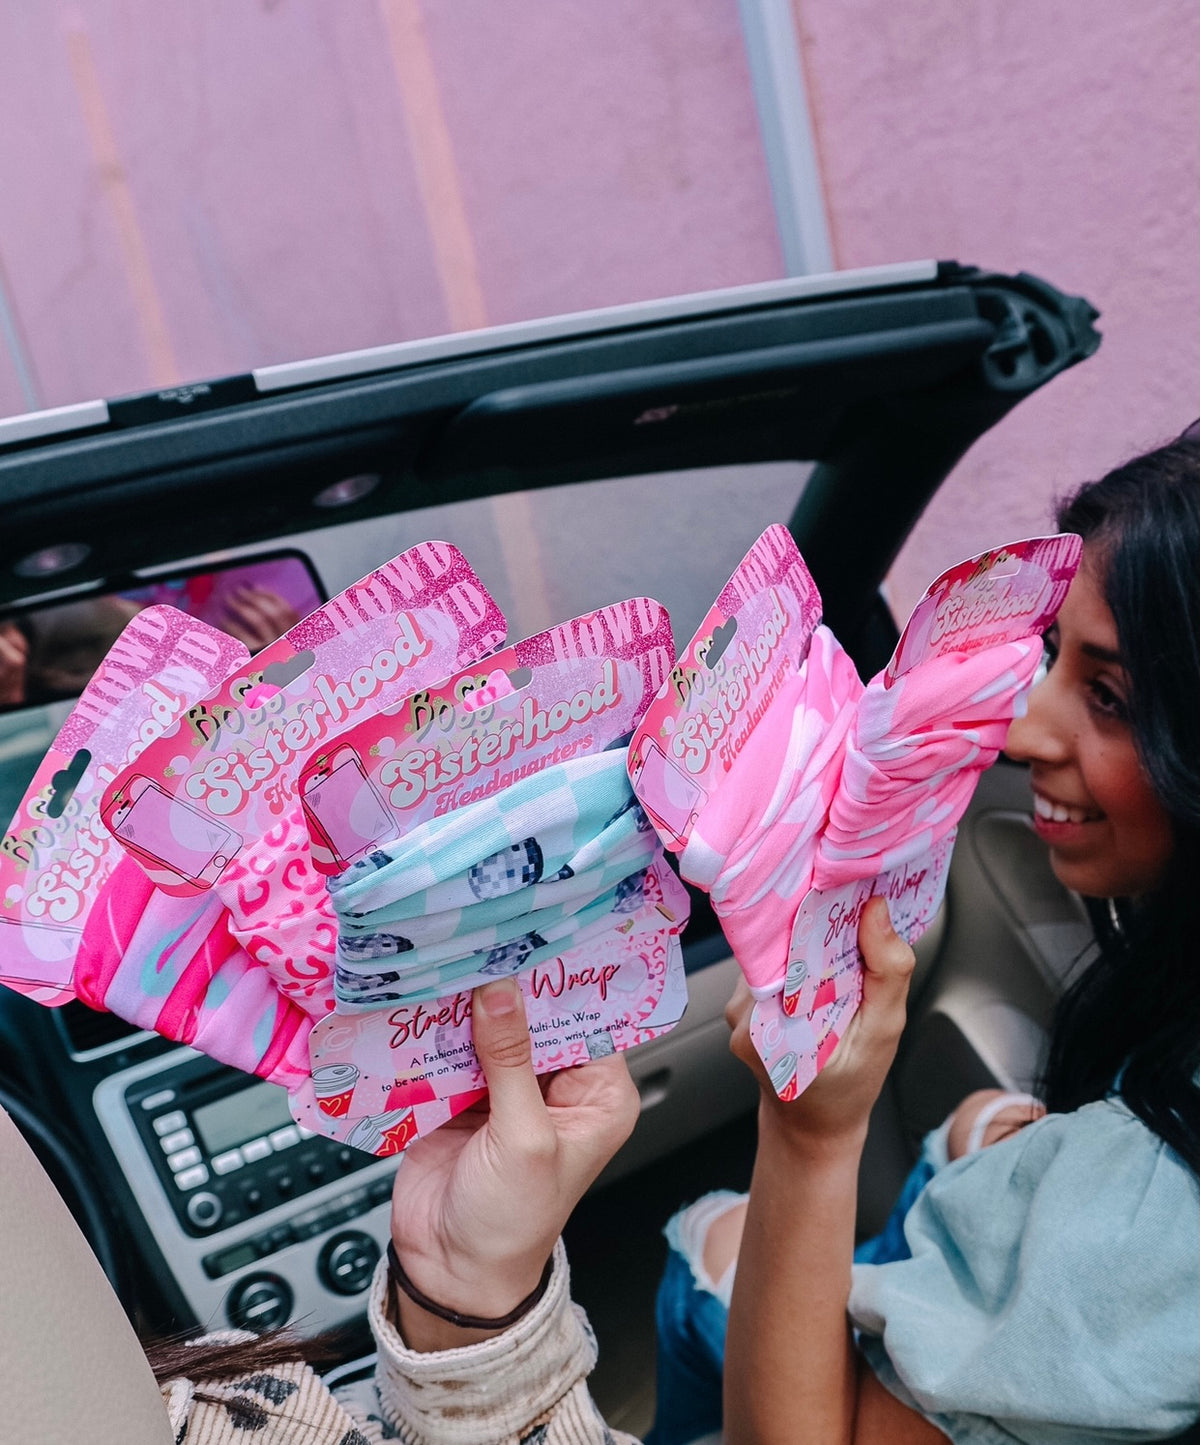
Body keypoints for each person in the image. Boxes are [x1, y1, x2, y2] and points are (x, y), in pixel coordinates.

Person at [9, 431, 1198, 1442]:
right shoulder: (1140, 1137)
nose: (1019, 728)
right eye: (1050, 655)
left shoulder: (1143, 1220)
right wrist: (464, 1298)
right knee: (969, 1127)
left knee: (704, 1242)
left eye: (1110, 694)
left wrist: (812, 1128)